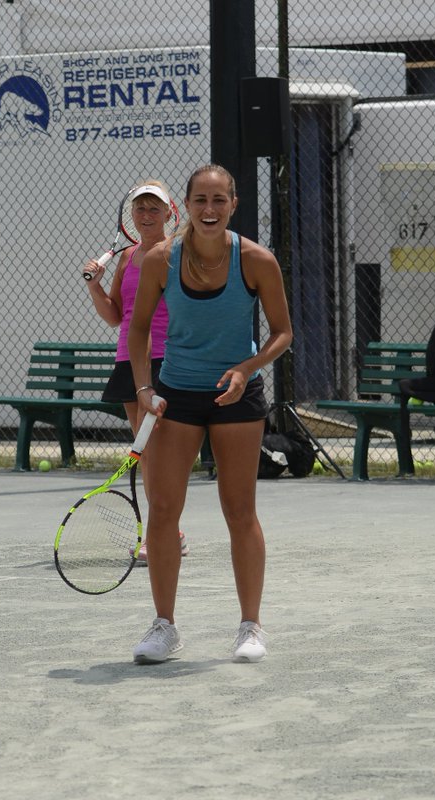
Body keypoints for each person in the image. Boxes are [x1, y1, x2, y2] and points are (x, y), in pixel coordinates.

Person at [126, 163, 293, 665]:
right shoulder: (160, 260)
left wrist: (247, 368)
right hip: (177, 396)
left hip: (238, 398)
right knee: (163, 511)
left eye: (219, 200)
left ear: (233, 205)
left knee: (239, 512)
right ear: (189, 205)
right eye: (201, 200)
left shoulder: (257, 261)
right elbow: (136, 332)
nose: (209, 209)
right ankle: (164, 627)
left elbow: (282, 333)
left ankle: (250, 627)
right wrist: (143, 388)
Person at [82, 180, 188, 564]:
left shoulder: (177, 253)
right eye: (140, 208)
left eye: (154, 208)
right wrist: (95, 287)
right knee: (145, 454)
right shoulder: (125, 259)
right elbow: (115, 316)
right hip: (129, 360)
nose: (146, 215)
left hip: (165, 359)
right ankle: (169, 532)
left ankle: (162, 535)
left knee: (156, 451)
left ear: (168, 212)